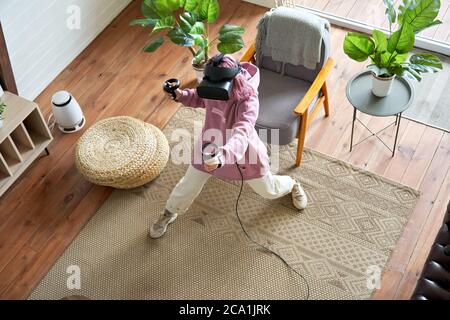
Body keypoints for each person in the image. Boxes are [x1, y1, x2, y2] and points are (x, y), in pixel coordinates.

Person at [149, 54, 307, 239]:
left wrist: (222, 156)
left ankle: (293, 184)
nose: (211, 90)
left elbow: (242, 133)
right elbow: (200, 98)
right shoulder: (212, 85)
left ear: (234, 80)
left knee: (268, 190)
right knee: (189, 183)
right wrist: (180, 95)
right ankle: (169, 212)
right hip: (210, 145)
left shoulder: (248, 101)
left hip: (243, 153)